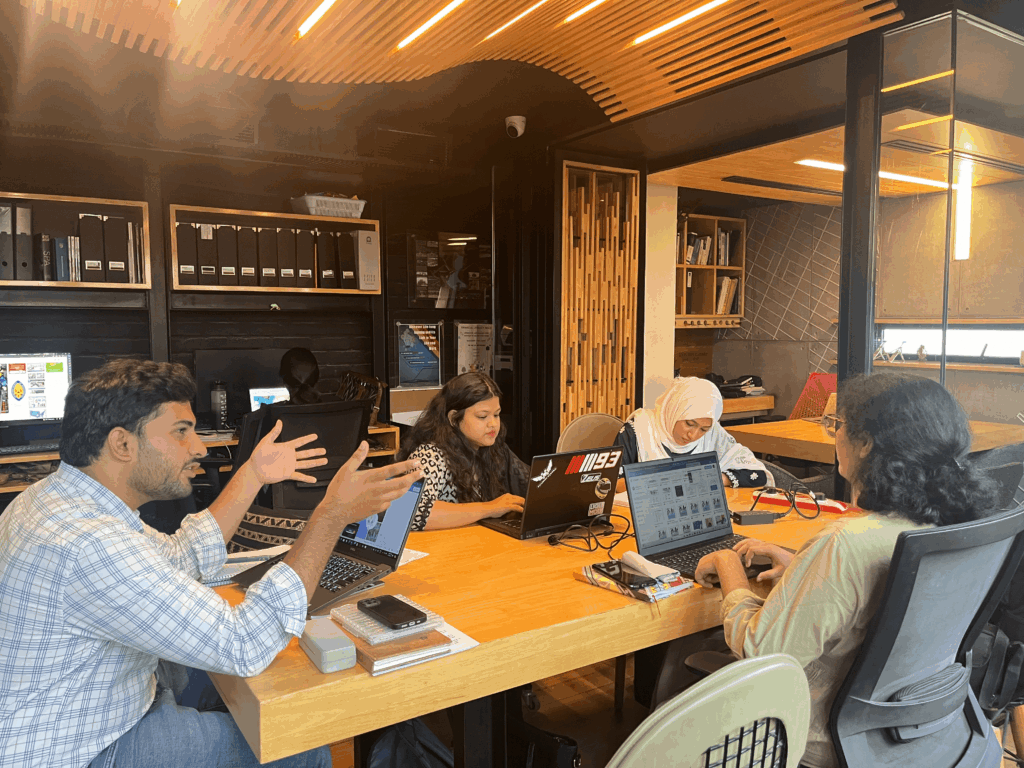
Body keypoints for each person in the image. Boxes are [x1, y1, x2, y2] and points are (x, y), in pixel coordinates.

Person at [0, 359, 421, 768]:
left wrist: (253, 474)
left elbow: (180, 556)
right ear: (122, 444)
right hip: (89, 747)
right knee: (300, 750)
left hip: (106, 698)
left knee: (246, 691)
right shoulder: (91, 541)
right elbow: (245, 643)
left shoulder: (57, 499)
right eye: (181, 432)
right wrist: (330, 516)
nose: (199, 447)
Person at [693, 372, 999, 768]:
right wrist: (802, 566)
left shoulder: (846, 545)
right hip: (920, 731)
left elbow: (760, 651)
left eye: (838, 425)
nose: (834, 434)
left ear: (866, 443)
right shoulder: (958, 527)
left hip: (820, 738)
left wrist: (727, 564)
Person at [396, 372, 528, 530]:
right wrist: (490, 508)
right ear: (454, 418)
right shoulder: (431, 455)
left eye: (496, 415)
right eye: (482, 416)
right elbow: (410, 511)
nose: (493, 424)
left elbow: (530, 481)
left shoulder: (495, 449)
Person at [615, 376, 769, 489]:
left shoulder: (714, 434)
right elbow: (610, 485)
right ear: (674, 410)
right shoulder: (638, 431)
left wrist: (713, 478)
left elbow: (757, 475)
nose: (693, 435)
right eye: (689, 424)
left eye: (703, 429)